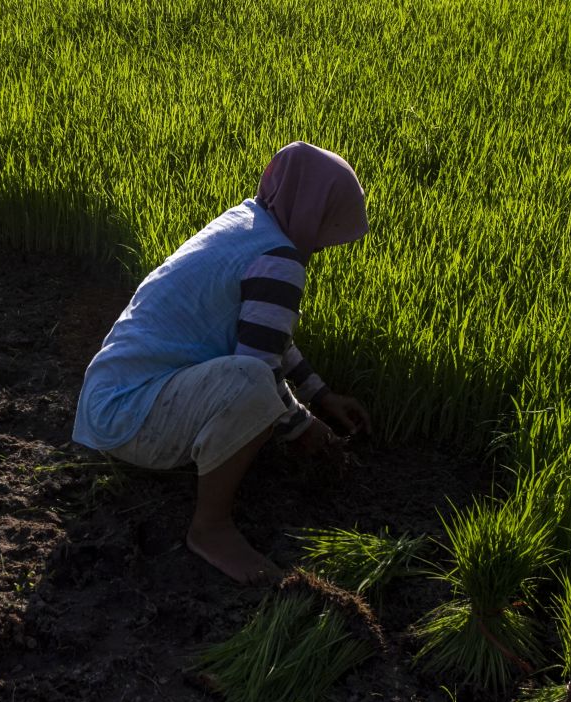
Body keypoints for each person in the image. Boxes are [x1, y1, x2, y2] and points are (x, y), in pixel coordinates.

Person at [72, 142, 373, 584]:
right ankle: (211, 528)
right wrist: (305, 429)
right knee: (252, 384)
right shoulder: (280, 262)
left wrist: (320, 394)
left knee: (252, 383)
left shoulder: (246, 224)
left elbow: (266, 332)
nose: (326, 243)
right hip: (131, 420)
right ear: (313, 212)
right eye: (329, 226)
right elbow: (260, 368)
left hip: (109, 398)